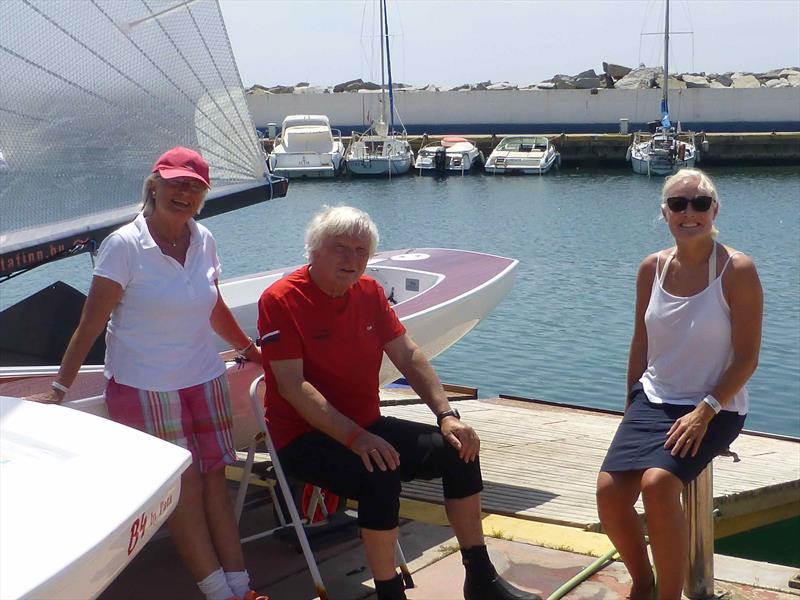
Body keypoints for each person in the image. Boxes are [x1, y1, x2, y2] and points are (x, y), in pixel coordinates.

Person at [257, 205, 540, 600]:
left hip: (365, 426)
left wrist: (447, 415)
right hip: (302, 438)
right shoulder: (281, 299)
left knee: (459, 450)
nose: (352, 259)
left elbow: (407, 354)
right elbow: (292, 386)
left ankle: (480, 577)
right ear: (314, 250)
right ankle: (390, 593)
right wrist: (356, 438)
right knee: (379, 472)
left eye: (360, 250)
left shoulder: (369, 292)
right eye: (340, 248)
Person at [28, 147, 267, 600]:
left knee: (216, 477)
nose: (185, 193)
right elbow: (91, 323)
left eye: (195, 187)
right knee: (183, 485)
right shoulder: (124, 246)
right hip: (146, 388)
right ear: (153, 185)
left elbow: (212, 304)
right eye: (176, 183)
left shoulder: (205, 239)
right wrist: (60, 389)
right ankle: (219, 593)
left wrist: (249, 349)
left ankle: (243, 587)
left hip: (205, 379)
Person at [596, 168, 762, 600]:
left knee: (658, 483)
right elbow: (640, 342)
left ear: (715, 210)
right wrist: (631, 402)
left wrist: (703, 412)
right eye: (678, 204)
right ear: (665, 213)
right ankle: (644, 582)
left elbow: (747, 359)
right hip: (653, 399)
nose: (689, 213)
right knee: (609, 495)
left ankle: (670, 595)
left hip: (716, 406)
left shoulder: (737, 270)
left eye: (700, 204)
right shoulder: (651, 267)